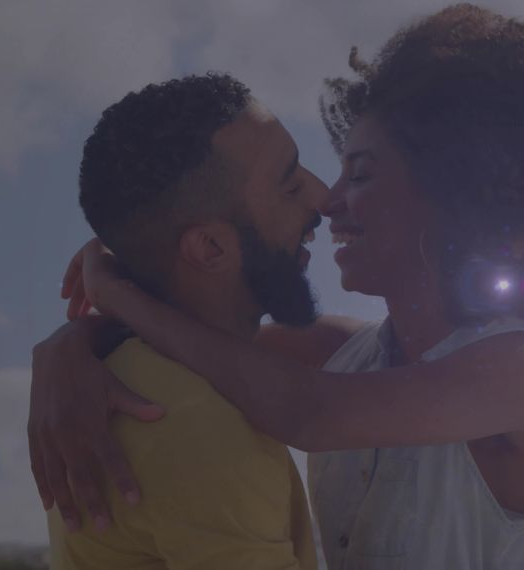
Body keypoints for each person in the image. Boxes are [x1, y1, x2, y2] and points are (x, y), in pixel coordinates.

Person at [30, 5, 524, 569]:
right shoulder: (339, 355)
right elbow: (197, 338)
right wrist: (74, 344)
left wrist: (117, 297)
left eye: (359, 174)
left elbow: (308, 413)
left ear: (453, 195)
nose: (329, 200)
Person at [40, 73, 325, 569]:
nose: (321, 199)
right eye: (290, 184)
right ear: (210, 248)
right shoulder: (195, 420)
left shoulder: (137, 373)